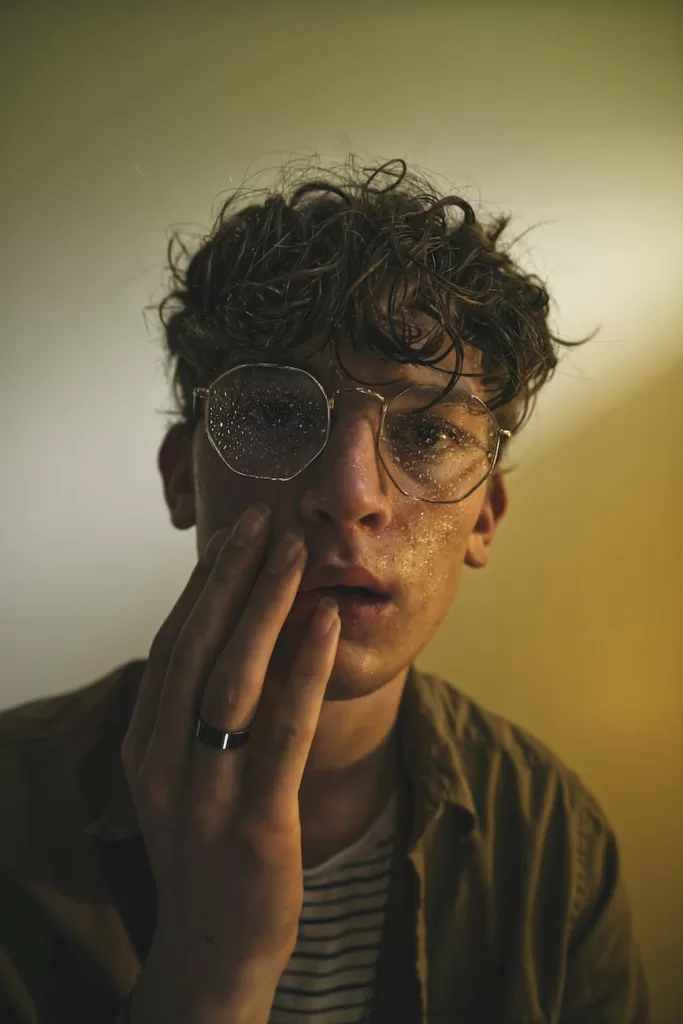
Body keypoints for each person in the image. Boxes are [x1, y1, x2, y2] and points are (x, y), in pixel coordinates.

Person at [0, 158, 650, 1024]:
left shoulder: (550, 838)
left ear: (485, 519)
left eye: (426, 432)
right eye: (273, 414)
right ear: (181, 479)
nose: (350, 493)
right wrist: (212, 973)